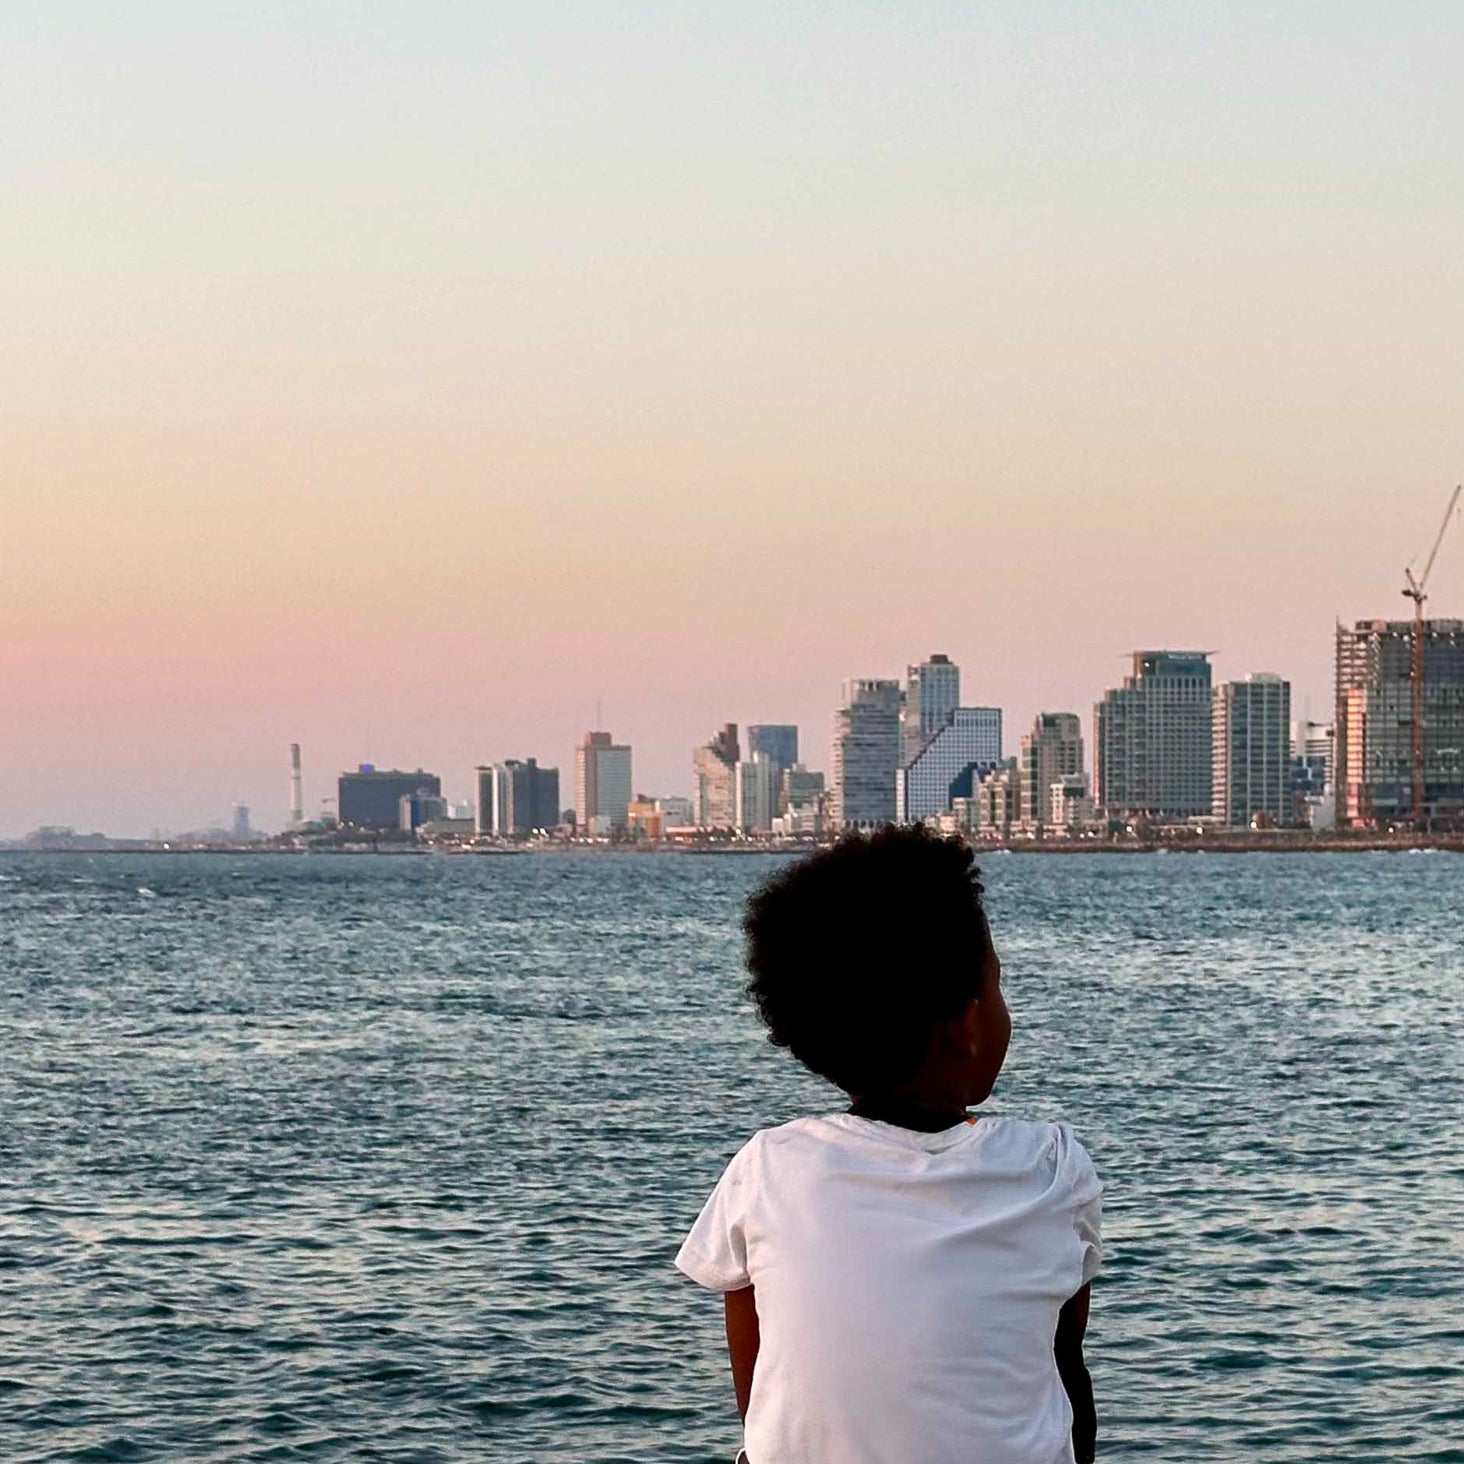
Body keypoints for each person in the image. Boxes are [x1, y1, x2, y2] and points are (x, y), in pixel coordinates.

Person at [675, 826, 1102, 1464]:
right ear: (965, 1023)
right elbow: (1064, 1372)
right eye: (998, 984)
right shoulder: (1050, 1170)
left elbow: (765, 1408)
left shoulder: (767, 1171)